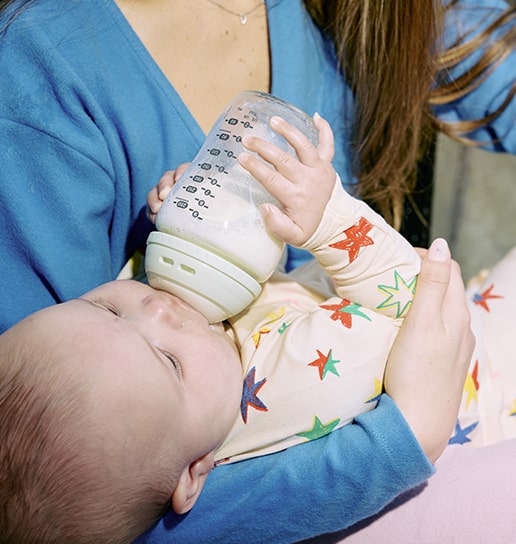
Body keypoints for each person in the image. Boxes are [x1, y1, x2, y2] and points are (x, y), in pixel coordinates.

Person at [0, 0, 513, 542]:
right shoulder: (285, 387)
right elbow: (413, 300)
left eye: (107, 306)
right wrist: (328, 221)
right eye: (169, 361)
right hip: (469, 388)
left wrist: (176, 214)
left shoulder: (176, 351)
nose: (153, 308)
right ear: (195, 472)